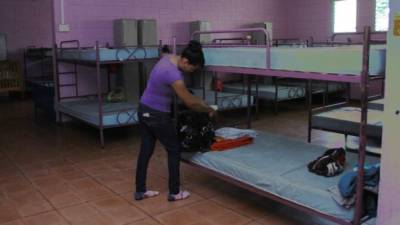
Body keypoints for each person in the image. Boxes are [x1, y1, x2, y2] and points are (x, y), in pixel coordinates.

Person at [135, 40, 215, 201]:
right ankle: (174, 192)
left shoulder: (168, 58)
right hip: (157, 115)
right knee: (174, 150)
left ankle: (140, 191)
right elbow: (189, 101)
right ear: (185, 61)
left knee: (146, 150)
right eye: (192, 68)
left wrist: (199, 102)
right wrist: (208, 109)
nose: (191, 72)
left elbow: (164, 53)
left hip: (143, 109)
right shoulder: (173, 74)